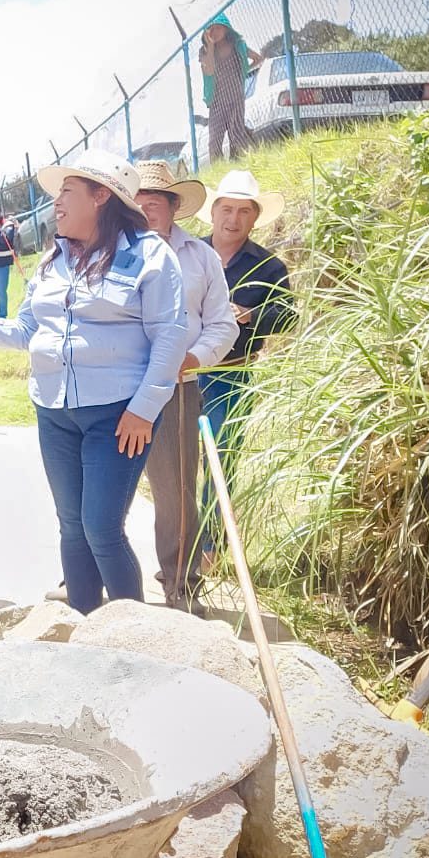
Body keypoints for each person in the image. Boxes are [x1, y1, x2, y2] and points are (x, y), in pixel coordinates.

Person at [0, 151, 184, 613]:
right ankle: (84, 629)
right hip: (54, 412)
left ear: (101, 196)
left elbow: (169, 338)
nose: (55, 204)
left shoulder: (150, 256)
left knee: (101, 527)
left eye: (66, 192)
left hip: (119, 415)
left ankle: (135, 637)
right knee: (71, 525)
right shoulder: (53, 261)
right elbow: (28, 331)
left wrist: (145, 409)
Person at [132, 161, 239, 614]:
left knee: (176, 487)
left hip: (178, 386)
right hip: (114, 383)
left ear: (176, 206)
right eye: (138, 201)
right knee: (96, 482)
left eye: (156, 201)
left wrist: (195, 358)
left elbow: (222, 324)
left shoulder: (200, 256)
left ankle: (180, 581)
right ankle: (85, 577)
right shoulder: (107, 250)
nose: (146, 208)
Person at [199, 169, 294, 552]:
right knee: (176, 463)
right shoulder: (189, 254)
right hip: (182, 374)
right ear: (213, 211)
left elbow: (287, 316)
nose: (233, 219)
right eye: (227, 209)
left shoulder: (270, 267)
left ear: (255, 217)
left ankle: (211, 548)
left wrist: (250, 315)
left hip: (232, 375)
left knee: (221, 461)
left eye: (243, 211)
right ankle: (178, 549)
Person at [199, 13, 263, 161]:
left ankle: (240, 161)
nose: (214, 32)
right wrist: (210, 45)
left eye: (218, 28)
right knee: (214, 138)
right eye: (211, 29)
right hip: (216, 100)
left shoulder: (238, 46)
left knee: (236, 133)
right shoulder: (204, 51)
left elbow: (258, 59)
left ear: (226, 29)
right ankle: (218, 167)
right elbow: (209, 71)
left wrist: (243, 72)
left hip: (235, 97)